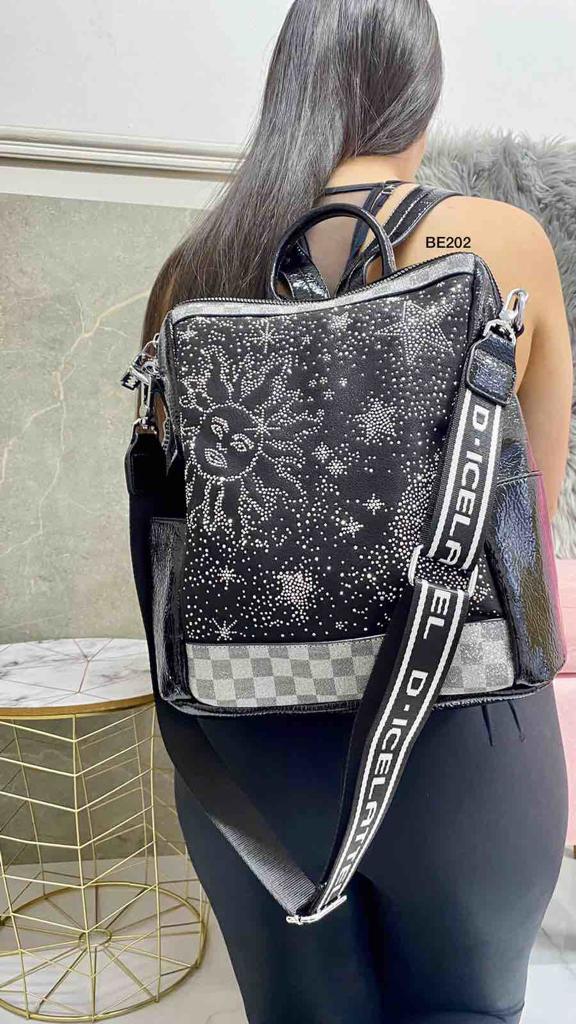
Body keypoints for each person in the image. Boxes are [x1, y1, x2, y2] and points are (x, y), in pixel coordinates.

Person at [138, 2, 572, 1021]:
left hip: (242, 736)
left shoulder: (193, 268)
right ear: (420, 92)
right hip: (464, 724)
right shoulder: (503, 240)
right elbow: (530, 510)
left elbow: (174, 521)